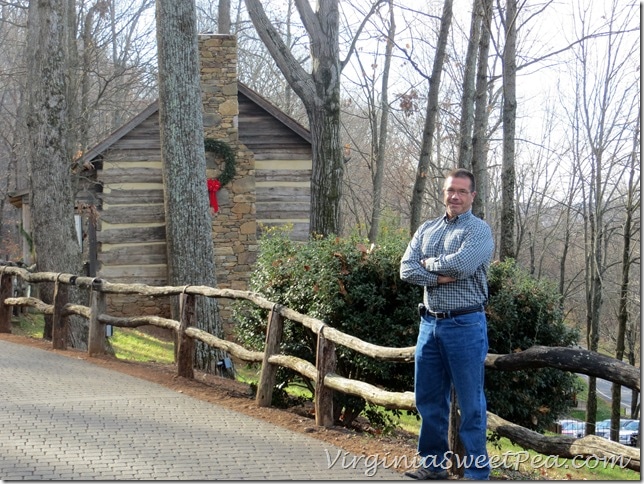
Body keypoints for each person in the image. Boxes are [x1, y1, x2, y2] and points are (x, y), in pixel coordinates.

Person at [399, 168, 494, 480]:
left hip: (465, 325)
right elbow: (406, 269)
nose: (455, 196)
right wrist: (441, 275)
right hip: (429, 325)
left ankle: (477, 474)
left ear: (472, 196)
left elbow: (464, 265)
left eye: (462, 192)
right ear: (444, 192)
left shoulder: (479, 231)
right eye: (451, 190)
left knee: (471, 404)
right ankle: (433, 465)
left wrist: (430, 266)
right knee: (428, 400)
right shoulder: (428, 228)